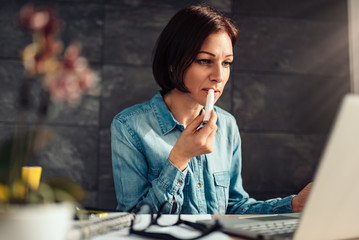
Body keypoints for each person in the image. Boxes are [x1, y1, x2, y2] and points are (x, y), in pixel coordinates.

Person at [111, 5, 311, 214]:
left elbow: (234, 207)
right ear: (172, 62)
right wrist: (179, 158)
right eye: (205, 61)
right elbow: (133, 220)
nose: (219, 75)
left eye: (226, 63)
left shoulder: (227, 125)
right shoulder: (129, 127)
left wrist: (293, 205)